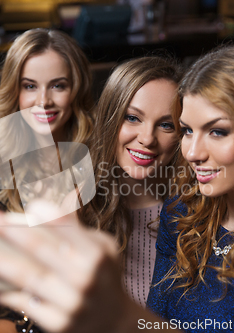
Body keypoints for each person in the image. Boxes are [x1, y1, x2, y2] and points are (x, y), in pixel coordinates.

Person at [0, 43, 234, 333]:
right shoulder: (187, 217)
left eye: (217, 131)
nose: (192, 152)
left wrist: (117, 314)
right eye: (189, 130)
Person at [0, 28, 94, 333]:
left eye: (58, 86)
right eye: (30, 86)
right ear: (14, 91)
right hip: (21, 313)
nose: (43, 101)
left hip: (89, 312)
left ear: (76, 89)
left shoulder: (100, 158)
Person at [77, 56, 183, 307]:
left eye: (166, 125)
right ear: (110, 119)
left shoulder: (194, 211)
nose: (147, 138)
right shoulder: (79, 200)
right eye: (133, 118)